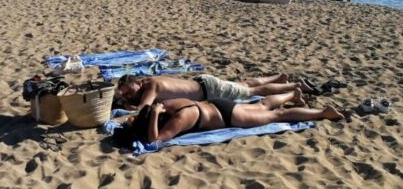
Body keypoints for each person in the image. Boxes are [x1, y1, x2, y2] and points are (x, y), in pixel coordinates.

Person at [112, 91, 345, 146]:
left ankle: (323, 113)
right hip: (218, 104)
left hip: (226, 116)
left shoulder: (178, 121)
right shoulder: (166, 106)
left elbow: (155, 141)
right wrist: (154, 111)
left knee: (276, 115)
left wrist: (152, 118)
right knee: (262, 104)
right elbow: (151, 123)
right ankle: (292, 93)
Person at [117, 74, 315, 111]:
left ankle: (295, 86)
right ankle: (279, 78)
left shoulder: (151, 87)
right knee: (243, 83)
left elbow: (142, 109)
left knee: (252, 91)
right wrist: (122, 96)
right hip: (203, 83)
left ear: (137, 84)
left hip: (209, 89)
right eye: (126, 94)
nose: (128, 96)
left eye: (129, 92)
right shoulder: (146, 81)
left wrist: (127, 105)